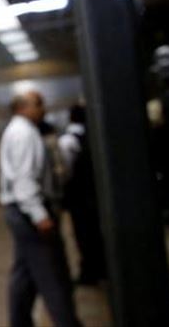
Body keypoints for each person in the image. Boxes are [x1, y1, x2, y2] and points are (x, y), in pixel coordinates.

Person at [0, 91, 80, 327]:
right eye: (38, 104)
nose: (43, 108)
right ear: (22, 107)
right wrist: (39, 215)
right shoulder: (23, 134)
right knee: (51, 275)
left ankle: (19, 321)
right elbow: (24, 180)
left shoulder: (23, 130)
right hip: (27, 211)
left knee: (23, 276)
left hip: (20, 210)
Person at [58, 104, 106, 285]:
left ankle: (90, 270)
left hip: (79, 196)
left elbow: (66, 171)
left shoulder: (68, 140)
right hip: (93, 194)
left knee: (84, 234)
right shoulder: (92, 134)